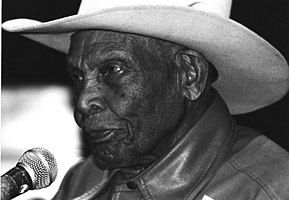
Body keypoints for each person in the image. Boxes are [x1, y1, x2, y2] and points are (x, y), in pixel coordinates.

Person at [3, 0, 289, 199]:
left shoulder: (271, 188)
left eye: (112, 70)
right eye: (78, 76)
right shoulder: (83, 180)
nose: (83, 102)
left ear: (189, 76)